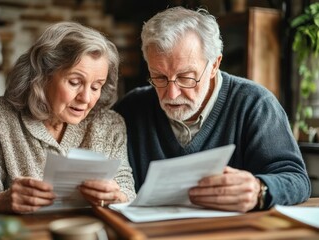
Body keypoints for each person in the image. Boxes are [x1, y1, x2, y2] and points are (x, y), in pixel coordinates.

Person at [114, 6, 311, 212]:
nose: (171, 94)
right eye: (160, 77)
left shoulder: (255, 103)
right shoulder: (131, 109)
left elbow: (297, 180)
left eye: (186, 78)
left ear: (214, 65)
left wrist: (259, 189)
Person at [0, 22, 136, 214]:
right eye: (74, 82)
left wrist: (118, 196)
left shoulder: (110, 124)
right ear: (42, 76)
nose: (86, 98)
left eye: (96, 86)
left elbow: (127, 190)